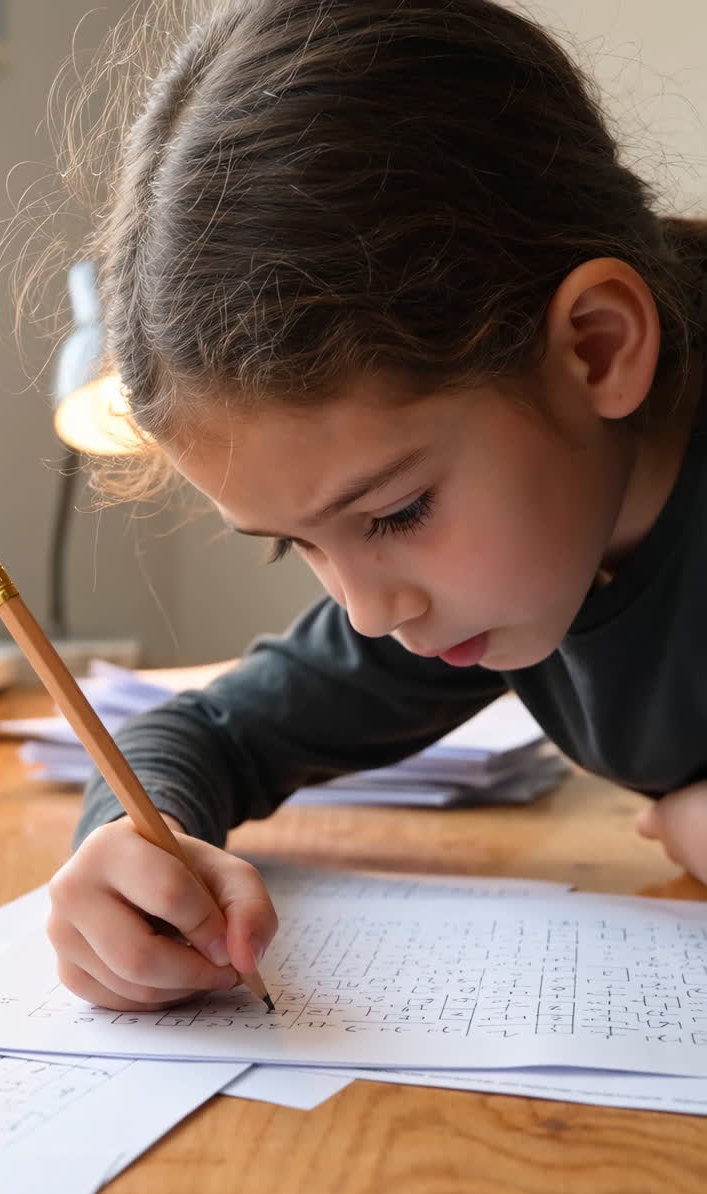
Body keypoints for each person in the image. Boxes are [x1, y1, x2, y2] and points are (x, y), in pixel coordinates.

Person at [45, 0, 707, 1011]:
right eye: (293, 545)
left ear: (598, 348)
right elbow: (211, 732)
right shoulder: (488, 581)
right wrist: (134, 846)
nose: (365, 609)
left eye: (395, 514)